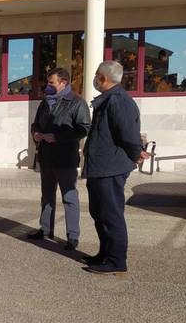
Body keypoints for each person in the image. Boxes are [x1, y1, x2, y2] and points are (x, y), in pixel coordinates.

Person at [82, 60, 150, 275]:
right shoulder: (109, 99)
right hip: (101, 166)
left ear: (103, 78)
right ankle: (105, 254)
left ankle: (117, 261)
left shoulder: (118, 100)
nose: (94, 79)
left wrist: (135, 153)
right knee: (99, 212)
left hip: (109, 167)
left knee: (111, 214)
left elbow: (128, 135)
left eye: (96, 75)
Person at [28, 68, 90, 250]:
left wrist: (57, 137)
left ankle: (73, 237)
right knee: (46, 196)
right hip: (46, 157)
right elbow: (36, 124)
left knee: (69, 197)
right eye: (47, 82)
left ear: (63, 83)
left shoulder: (77, 102)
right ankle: (45, 229)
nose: (47, 86)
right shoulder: (45, 102)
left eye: (51, 83)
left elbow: (84, 128)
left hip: (65, 158)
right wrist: (36, 133)